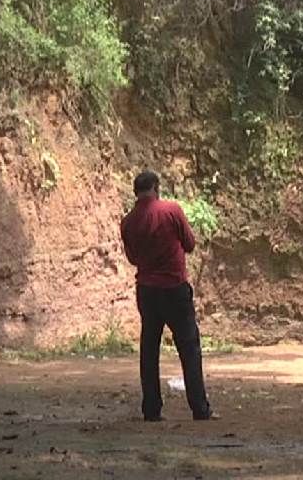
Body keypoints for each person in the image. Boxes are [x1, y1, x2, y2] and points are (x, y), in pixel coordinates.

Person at [121, 170, 214, 421]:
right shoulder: (171, 210)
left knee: (149, 349)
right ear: (156, 187)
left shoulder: (128, 221)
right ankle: (199, 408)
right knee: (189, 347)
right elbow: (190, 244)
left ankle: (151, 410)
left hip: (147, 291)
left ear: (136, 192)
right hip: (174, 288)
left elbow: (132, 258)